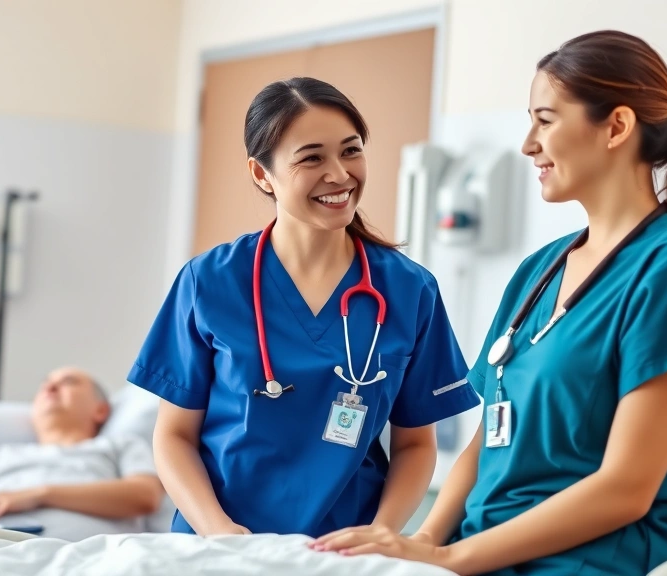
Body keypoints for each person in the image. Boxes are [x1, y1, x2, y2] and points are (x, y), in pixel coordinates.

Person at [310, 30, 667, 575]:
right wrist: (423, 543)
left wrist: (452, 557)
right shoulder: (539, 272)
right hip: (480, 553)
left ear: (616, 126)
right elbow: (486, 442)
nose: (528, 144)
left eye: (545, 120)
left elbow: (627, 489)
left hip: (587, 561)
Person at [128, 77, 481, 538]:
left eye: (351, 150)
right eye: (312, 157)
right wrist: (219, 532)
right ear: (261, 174)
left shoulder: (409, 290)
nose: (339, 174)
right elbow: (173, 437)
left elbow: (415, 444)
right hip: (219, 547)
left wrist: (383, 532)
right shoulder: (209, 281)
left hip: (346, 549)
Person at [0, 366, 171, 541]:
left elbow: (145, 496)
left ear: (100, 410)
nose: (50, 388)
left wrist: (37, 495)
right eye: (45, 384)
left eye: (68, 382)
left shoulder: (119, 446)